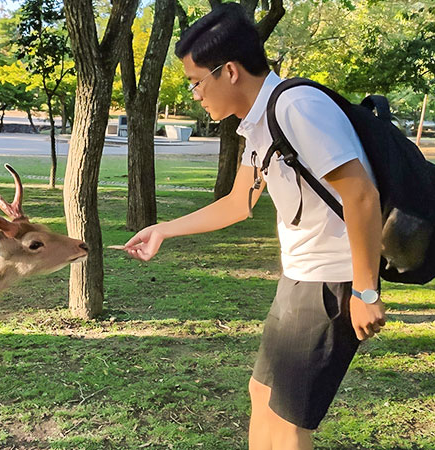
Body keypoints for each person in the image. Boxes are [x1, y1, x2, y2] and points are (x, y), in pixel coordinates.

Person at [122, 4, 386, 450]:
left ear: (228, 72)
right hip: (298, 277)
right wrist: (164, 228)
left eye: (195, 82)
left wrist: (365, 290)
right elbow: (237, 204)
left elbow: (362, 196)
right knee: (261, 395)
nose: (194, 94)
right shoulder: (259, 125)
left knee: (288, 423)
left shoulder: (299, 108)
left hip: (331, 283)